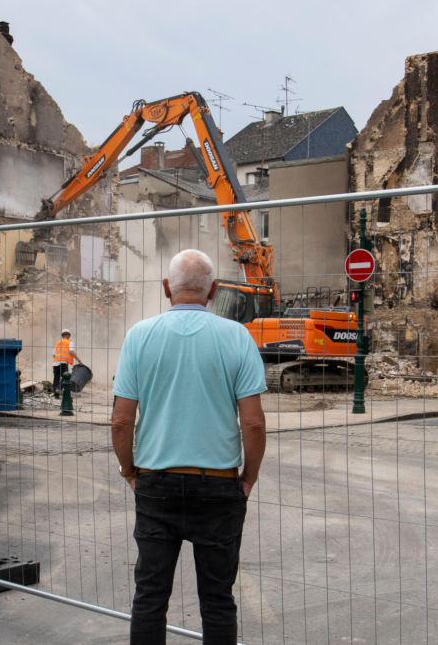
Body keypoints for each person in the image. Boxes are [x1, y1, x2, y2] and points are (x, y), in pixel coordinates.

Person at [111, 249, 267, 645]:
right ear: (212, 291)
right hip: (218, 485)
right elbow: (253, 421)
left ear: (167, 288)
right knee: (217, 600)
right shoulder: (237, 337)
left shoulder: (139, 336)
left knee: (150, 596)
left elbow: (121, 420)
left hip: (155, 483)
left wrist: (130, 472)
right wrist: (247, 479)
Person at [52, 328, 82, 398]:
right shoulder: (69, 342)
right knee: (66, 377)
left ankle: (56, 394)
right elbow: (71, 351)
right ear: (69, 335)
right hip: (63, 363)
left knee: (56, 378)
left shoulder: (58, 343)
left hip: (55, 363)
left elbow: (54, 354)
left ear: (62, 335)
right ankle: (59, 388)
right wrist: (79, 360)